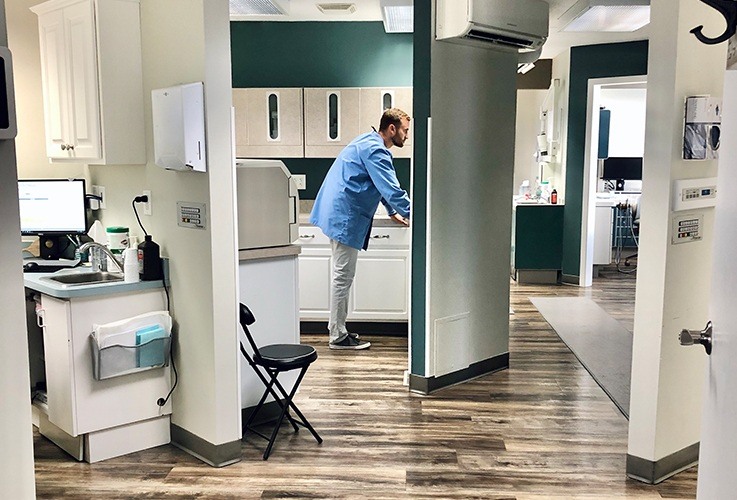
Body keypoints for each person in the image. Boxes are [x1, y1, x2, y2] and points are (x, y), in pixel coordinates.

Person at [310, 108, 412, 350]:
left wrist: (391, 210)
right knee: (342, 277)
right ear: (392, 129)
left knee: (341, 276)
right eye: (405, 130)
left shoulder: (367, 140)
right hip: (344, 215)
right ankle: (337, 335)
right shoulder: (376, 150)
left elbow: (380, 184)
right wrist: (418, 212)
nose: (407, 136)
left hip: (337, 211)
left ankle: (339, 329)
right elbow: (391, 188)